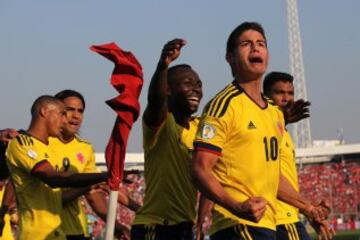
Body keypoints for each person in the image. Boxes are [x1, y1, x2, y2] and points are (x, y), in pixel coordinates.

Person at [192, 22, 333, 240]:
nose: (255, 48)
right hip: (237, 226)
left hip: (266, 224)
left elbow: (273, 177)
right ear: (229, 57)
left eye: (261, 44)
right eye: (246, 44)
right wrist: (237, 207)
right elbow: (200, 169)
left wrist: (308, 208)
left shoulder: (273, 113)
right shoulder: (223, 105)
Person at [5, 95, 108, 240]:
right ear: (44, 111)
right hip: (36, 235)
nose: (65, 120)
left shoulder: (49, 149)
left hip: (57, 233)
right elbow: (53, 178)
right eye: (62, 114)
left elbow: (58, 196)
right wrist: (102, 176)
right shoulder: (22, 143)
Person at [131, 38, 203, 240]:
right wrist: (163, 65)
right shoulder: (161, 123)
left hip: (184, 228)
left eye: (199, 84)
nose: (196, 89)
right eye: (188, 83)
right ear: (168, 89)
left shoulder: (201, 128)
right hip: (156, 227)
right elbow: (156, 101)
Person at [53, 89, 137, 240]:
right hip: (45, 232)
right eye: (70, 110)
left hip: (77, 231)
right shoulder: (40, 144)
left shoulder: (85, 149)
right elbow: (54, 199)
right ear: (55, 112)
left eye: (80, 111)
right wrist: (92, 183)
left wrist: (117, 225)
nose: (76, 115)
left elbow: (93, 195)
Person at [263, 71, 335, 240]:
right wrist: (309, 208)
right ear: (266, 96)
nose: (286, 98)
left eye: (290, 93)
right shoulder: (267, 129)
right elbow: (272, 177)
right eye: (279, 92)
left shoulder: (283, 131)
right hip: (281, 219)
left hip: (284, 216)